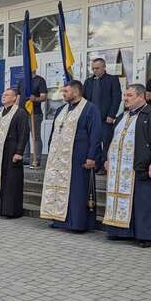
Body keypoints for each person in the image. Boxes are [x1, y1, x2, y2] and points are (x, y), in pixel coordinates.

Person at [104, 84, 151, 247]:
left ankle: (145, 236)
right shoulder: (121, 117)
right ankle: (119, 231)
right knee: (121, 201)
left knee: (144, 202)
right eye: (125, 95)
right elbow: (112, 140)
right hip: (119, 170)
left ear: (141, 97)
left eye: (129, 95)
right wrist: (107, 159)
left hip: (142, 166)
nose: (125, 98)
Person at [40, 80, 102, 232]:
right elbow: (54, 131)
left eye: (66, 91)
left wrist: (92, 157)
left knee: (77, 191)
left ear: (76, 92)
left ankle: (78, 223)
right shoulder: (62, 108)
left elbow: (95, 134)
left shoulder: (90, 109)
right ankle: (59, 220)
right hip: (59, 159)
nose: (63, 94)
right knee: (59, 189)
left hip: (79, 157)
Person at [0, 88, 29, 218]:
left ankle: (11, 210)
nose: (3, 96)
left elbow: (23, 133)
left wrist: (19, 152)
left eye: (7, 95)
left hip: (12, 151)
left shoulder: (20, 113)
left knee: (11, 181)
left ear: (15, 98)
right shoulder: (0, 113)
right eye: (3, 94)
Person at [83, 58, 122, 173]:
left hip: (106, 118)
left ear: (104, 67)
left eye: (97, 68)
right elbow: (84, 99)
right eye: (93, 68)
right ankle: (96, 164)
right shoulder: (88, 82)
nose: (95, 70)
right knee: (93, 142)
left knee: (106, 142)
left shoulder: (112, 79)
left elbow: (116, 98)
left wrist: (112, 115)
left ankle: (105, 166)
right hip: (91, 118)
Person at [17, 69, 47, 166]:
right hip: (22, 113)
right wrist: (15, 109)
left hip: (35, 113)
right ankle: (25, 158)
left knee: (35, 136)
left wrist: (36, 99)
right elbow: (18, 97)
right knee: (23, 136)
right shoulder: (22, 81)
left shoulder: (40, 80)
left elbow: (44, 96)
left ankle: (36, 159)